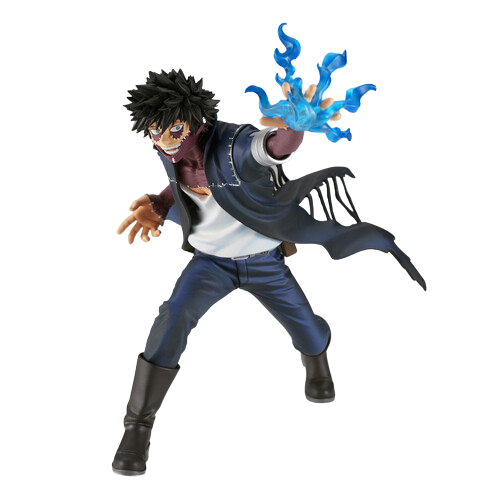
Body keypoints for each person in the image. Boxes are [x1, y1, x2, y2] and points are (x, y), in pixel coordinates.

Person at [112, 68, 424, 476]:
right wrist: (159, 204)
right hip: (210, 262)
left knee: (305, 325)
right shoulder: (168, 150)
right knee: (172, 318)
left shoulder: (235, 145)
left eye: (173, 130)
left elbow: (274, 147)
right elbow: (181, 184)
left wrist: (295, 127)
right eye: (156, 132)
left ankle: (317, 360)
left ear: (196, 121)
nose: (164, 140)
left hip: (263, 260)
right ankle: (137, 426)